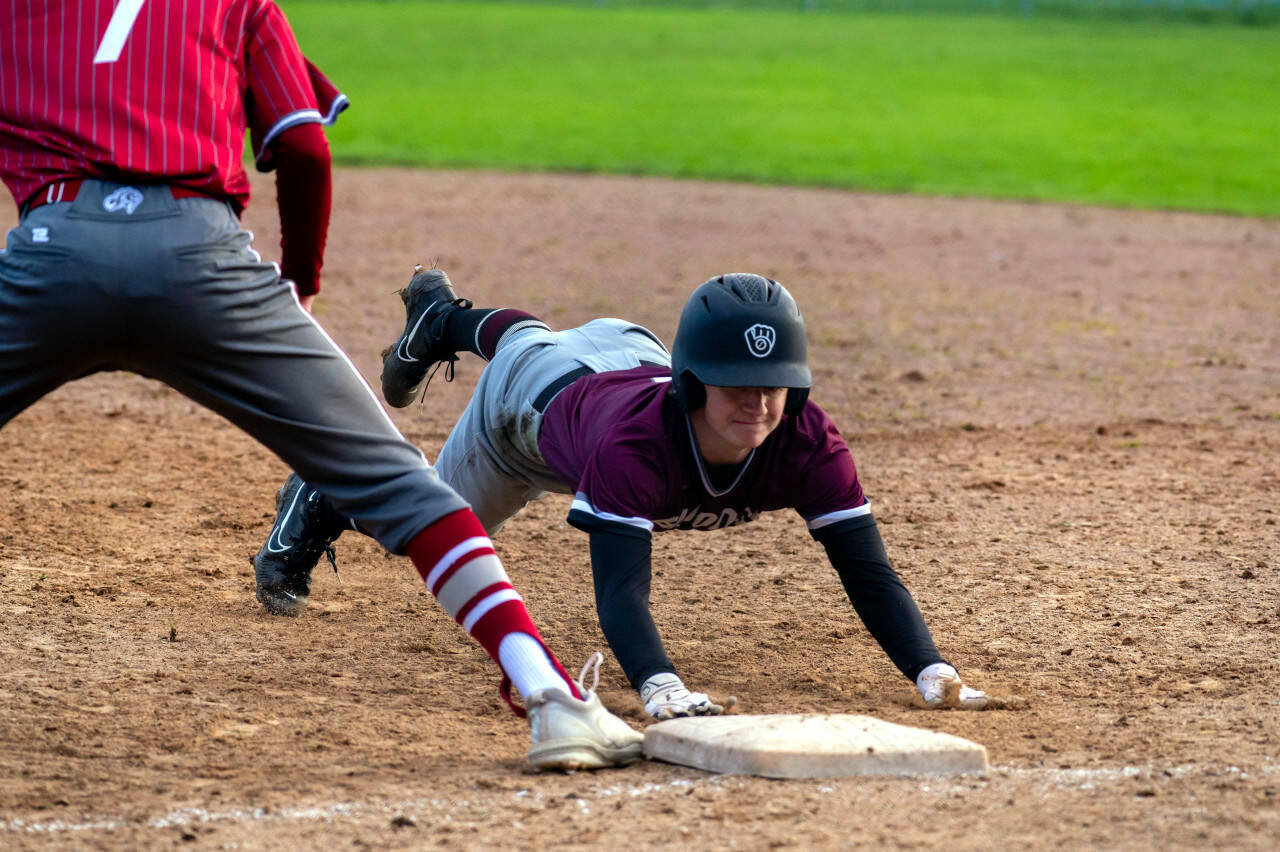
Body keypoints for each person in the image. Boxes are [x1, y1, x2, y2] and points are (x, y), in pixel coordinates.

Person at [0, 0, 643, 771]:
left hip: (49, 254)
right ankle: (550, 698)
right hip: (205, 265)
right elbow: (303, 148)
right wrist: (297, 286)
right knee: (398, 483)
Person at [254, 268, 992, 718]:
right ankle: (324, 492)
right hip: (530, 417)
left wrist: (932, 670)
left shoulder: (805, 441)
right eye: (738, 387)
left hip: (631, 352)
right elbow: (619, 592)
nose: (759, 406)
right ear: (698, 384)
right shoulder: (636, 449)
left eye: (776, 387)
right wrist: (660, 686)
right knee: (425, 524)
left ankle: (442, 320)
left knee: (548, 340)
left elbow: (866, 569)